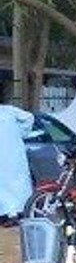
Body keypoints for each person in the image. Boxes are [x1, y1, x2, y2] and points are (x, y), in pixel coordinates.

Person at [0, 81, 34, 226]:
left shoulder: (8, 111)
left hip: (10, 156)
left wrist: (19, 134)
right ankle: (11, 214)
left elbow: (29, 118)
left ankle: (12, 215)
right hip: (11, 155)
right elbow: (28, 119)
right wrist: (21, 133)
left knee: (10, 186)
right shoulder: (9, 112)